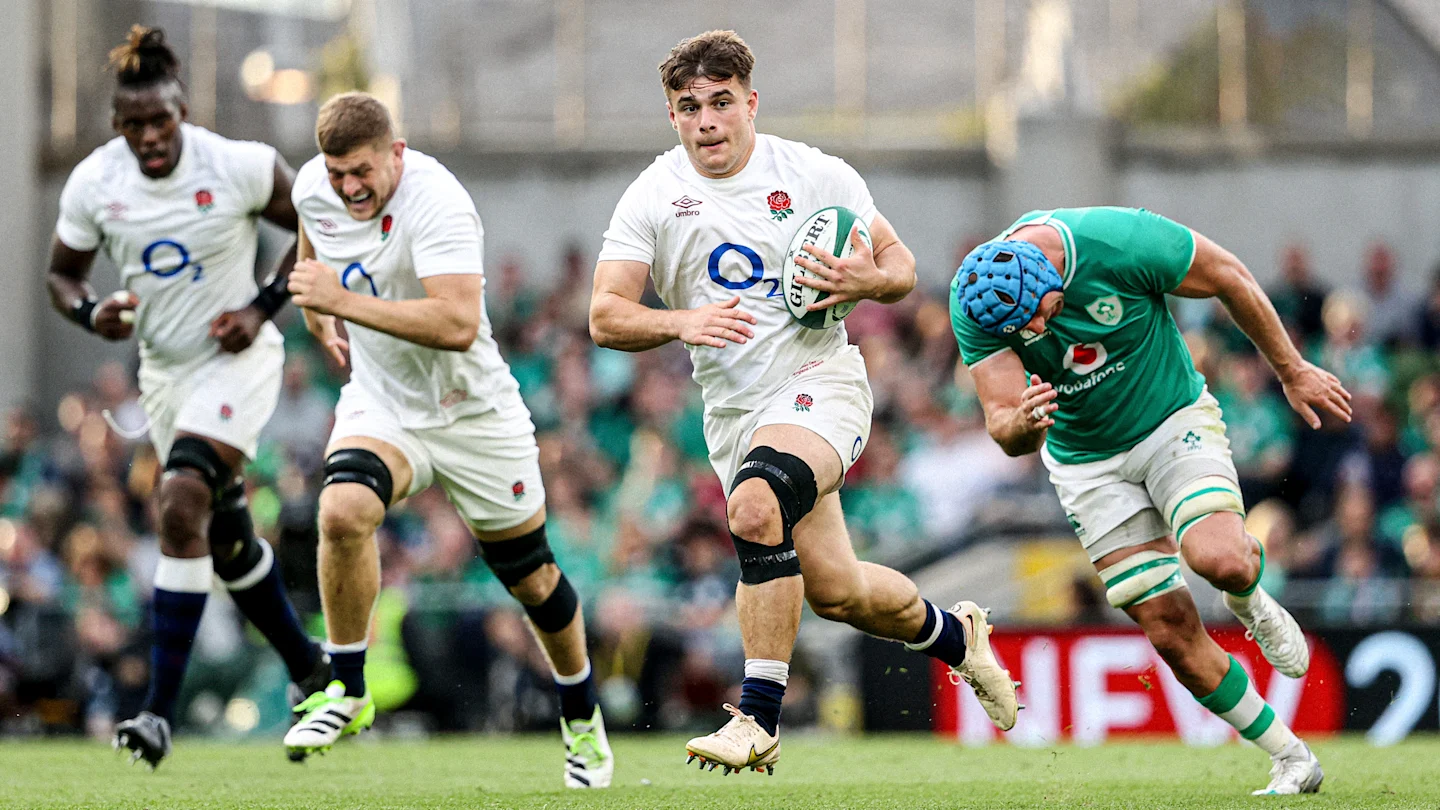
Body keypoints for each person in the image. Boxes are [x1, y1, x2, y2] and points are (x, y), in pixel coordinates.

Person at [590, 30, 1018, 776]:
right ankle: (959, 639)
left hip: (822, 384)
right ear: (672, 117)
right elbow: (605, 314)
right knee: (838, 592)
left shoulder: (815, 174)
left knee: (756, 506)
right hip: (735, 413)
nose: (707, 122)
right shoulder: (654, 195)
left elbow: (900, 266)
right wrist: (682, 320)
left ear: (750, 104)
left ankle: (756, 719)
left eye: (721, 103)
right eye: (689, 108)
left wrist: (864, 282)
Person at [951, 207, 1353, 795]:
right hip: (1087, 464)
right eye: (1021, 332)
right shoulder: (981, 303)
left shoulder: (1117, 241)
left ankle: (1253, 603)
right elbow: (1005, 427)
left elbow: (1229, 277)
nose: (1035, 336)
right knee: (1167, 628)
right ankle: (1290, 756)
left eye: (1041, 318)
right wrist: (1027, 422)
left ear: (1053, 277)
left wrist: (1290, 369)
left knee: (1222, 560)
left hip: (1170, 420)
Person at [283, 91, 611, 788]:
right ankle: (348, 686)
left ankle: (581, 716)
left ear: (395, 154)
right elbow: (314, 235)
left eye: (362, 172)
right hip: (384, 404)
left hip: (473, 414)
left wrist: (338, 301)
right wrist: (317, 315)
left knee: (533, 580)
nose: (348, 188)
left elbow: (457, 322)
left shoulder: (439, 202)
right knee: (341, 512)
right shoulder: (316, 186)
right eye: (337, 173)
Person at [46, 26, 327, 768]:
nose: (149, 137)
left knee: (177, 504)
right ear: (118, 126)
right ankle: (312, 670)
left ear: (182, 110)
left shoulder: (236, 165)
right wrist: (89, 312)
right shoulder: (95, 183)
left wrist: (262, 307)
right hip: (165, 375)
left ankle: (157, 714)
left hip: (237, 362)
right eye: (134, 125)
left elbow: (317, 221)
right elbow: (62, 276)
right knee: (227, 540)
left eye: (160, 120)